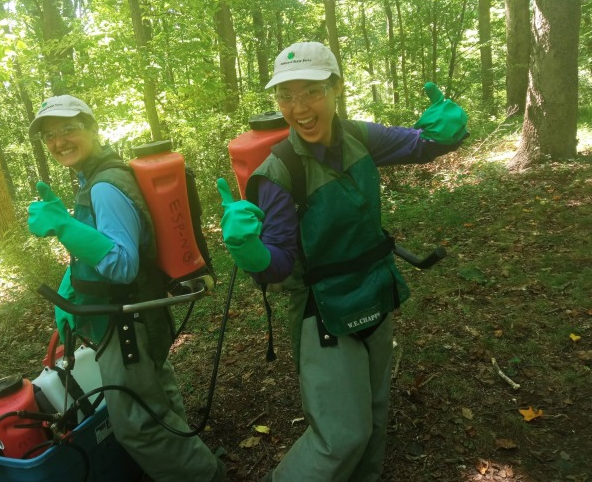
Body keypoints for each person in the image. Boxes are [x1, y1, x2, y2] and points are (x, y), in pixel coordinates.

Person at [217, 42, 468, 482]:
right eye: (286, 95)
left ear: (336, 88)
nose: (299, 107)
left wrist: (444, 134)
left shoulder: (359, 138)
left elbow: (417, 145)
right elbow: (276, 267)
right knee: (340, 436)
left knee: (373, 415)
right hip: (323, 311)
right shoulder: (280, 173)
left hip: (375, 290)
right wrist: (247, 249)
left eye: (311, 91)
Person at [27, 95, 226, 482]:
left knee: (137, 423)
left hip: (127, 320)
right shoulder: (93, 176)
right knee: (158, 396)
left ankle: (204, 476)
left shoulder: (104, 185)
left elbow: (122, 264)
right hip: (133, 314)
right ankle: (199, 464)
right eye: (50, 135)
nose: (59, 140)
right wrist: (73, 283)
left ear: (92, 128)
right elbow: (100, 248)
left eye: (69, 128)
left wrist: (64, 226)